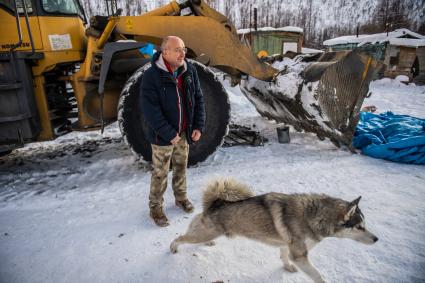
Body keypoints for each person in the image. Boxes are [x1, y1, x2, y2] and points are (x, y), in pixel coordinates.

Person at [140, 36, 205, 227]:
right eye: (177, 49)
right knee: (160, 173)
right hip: (163, 136)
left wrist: (198, 126)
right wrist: (169, 133)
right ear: (165, 52)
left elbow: (198, 99)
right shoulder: (152, 76)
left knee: (180, 167)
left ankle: (181, 197)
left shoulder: (189, 71)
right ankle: (155, 208)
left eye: (183, 49)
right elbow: (150, 110)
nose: (182, 53)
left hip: (184, 133)